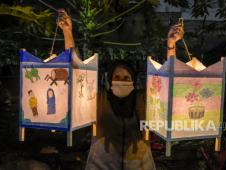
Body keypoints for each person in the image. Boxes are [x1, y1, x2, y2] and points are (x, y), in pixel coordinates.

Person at [58, 9, 183, 170]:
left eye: (126, 78)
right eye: (117, 78)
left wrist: (171, 46)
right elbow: (77, 73)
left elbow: (167, 82)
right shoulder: (99, 98)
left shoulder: (143, 100)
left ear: (133, 81)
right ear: (110, 81)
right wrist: (67, 33)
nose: (121, 82)